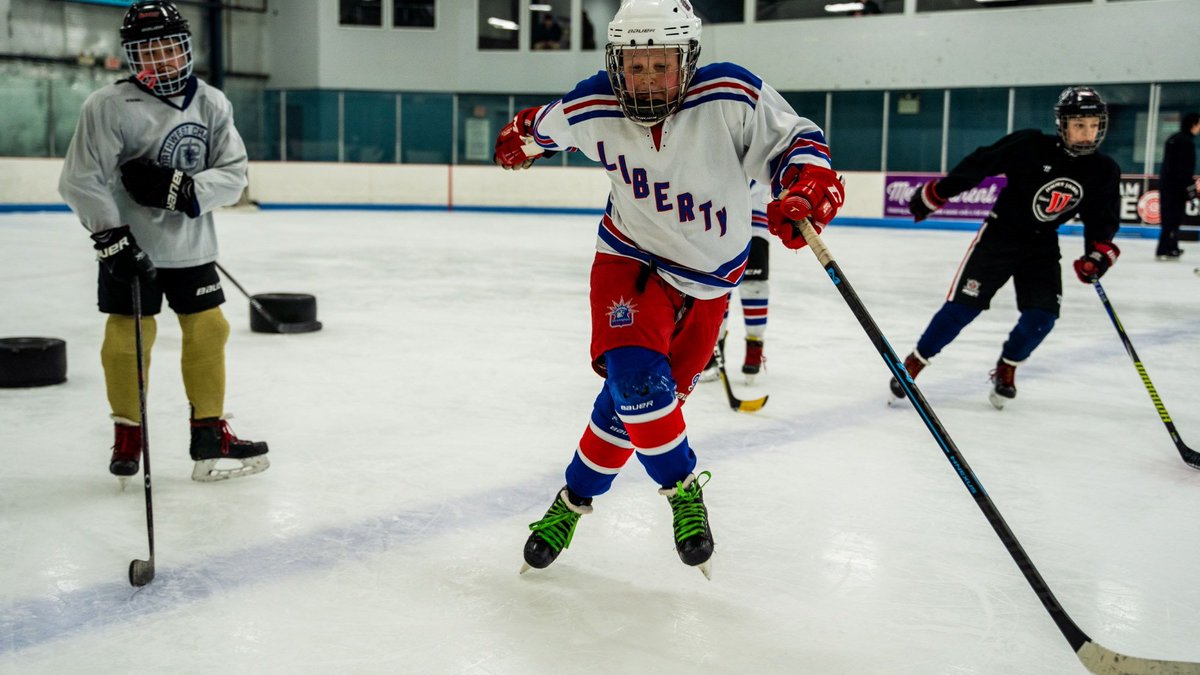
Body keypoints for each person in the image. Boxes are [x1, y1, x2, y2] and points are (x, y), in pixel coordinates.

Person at [494, 0, 842, 577]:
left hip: (709, 287)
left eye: (662, 65)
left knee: (631, 409)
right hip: (630, 261)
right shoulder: (593, 103)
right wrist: (520, 141)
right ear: (615, 63)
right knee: (636, 384)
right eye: (635, 66)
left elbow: (795, 143)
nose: (648, 79)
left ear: (688, 60)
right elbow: (539, 127)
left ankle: (571, 502)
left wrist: (808, 186)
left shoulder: (730, 96)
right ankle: (683, 490)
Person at [58, 1, 269, 485]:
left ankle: (209, 434)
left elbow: (235, 175)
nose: (161, 61)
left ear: (185, 49)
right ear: (132, 57)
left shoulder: (212, 102)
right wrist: (111, 237)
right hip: (130, 247)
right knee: (128, 338)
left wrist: (186, 190)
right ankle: (128, 435)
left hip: (191, 246)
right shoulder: (108, 105)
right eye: (148, 52)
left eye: (169, 49)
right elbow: (80, 180)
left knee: (209, 330)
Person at [888, 86, 1120, 410]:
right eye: (1079, 125)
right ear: (1063, 125)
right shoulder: (1031, 145)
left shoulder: (1103, 171)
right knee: (962, 308)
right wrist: (939, 192)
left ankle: (1007, 366)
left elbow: (1102, 220)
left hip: (1042, 245)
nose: (1087, 133)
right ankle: (915, 362)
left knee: (1043, 317)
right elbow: (981, 162)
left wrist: (1096, 256)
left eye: (1093, 125)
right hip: (1000, 237)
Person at [700, 180, 772, 383]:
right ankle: (713, 352)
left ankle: (754, 347)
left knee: (754, 288)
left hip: (755, 230)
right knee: (719, 291)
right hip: (721, 229)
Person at [1156, 112, 1199, 260]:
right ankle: (1165, 248)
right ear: (1193, 124)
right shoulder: (1186, 142)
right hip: (1176, 187)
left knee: (1169, 217)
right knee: (1173, 218)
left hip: (1167, 184)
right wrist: (1190, 189)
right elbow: (1185, 169)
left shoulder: (1173, 139)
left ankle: (1170, 246)